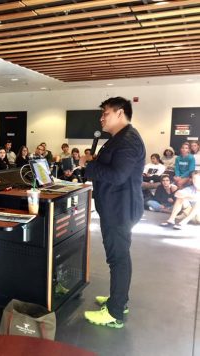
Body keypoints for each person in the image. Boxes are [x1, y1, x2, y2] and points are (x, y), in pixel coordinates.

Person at [84, 97, 145, 329]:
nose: (101, 118)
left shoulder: (128, 140)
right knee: (118, 257)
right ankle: (119, 300)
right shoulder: (119, 138)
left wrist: (90, 165)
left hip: (121, 208)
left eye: (105, 113)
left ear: (120, 113)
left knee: (118, 258)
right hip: (117, 206)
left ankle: (114, 312)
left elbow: (118, 175)